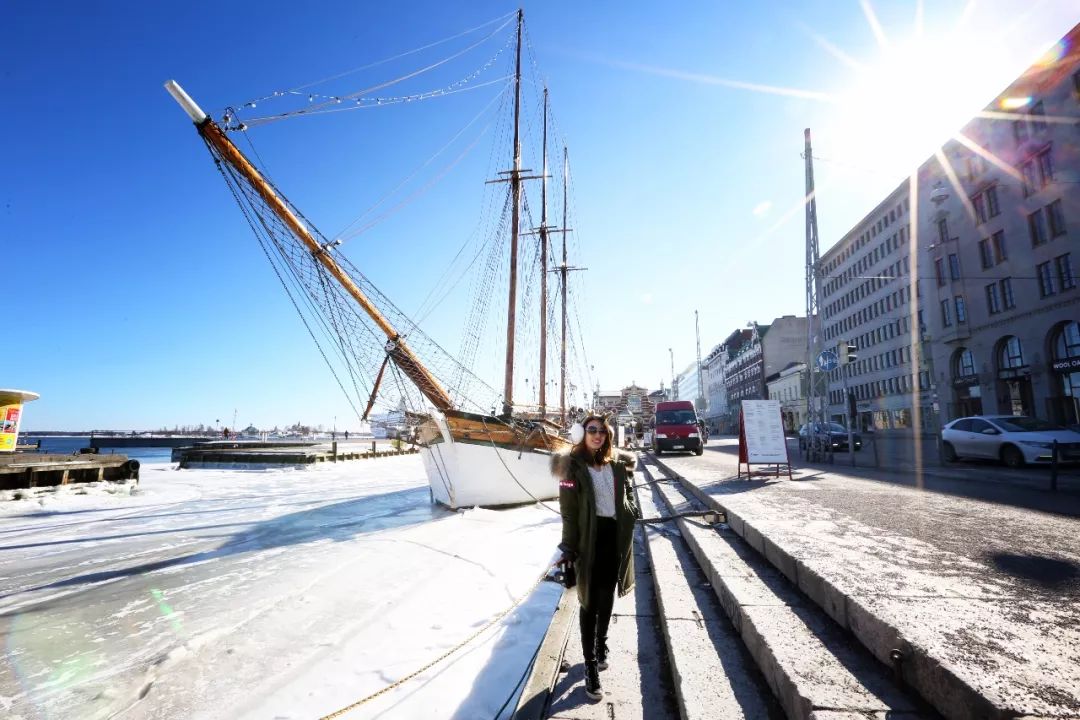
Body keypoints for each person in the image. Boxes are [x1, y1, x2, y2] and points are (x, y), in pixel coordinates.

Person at [551, 414, 640, 702]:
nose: (597, 435)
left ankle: (601, 644)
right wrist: (568, 546)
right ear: (582, 433)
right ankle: (590, 667)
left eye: (602, 431)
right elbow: (569, 512)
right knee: (589, 602)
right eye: (592, 430)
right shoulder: (571, 468)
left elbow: (627, 494)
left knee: (607, 597)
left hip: (614, 539)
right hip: (588, 541)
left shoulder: (617, 465)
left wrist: (631, 510)